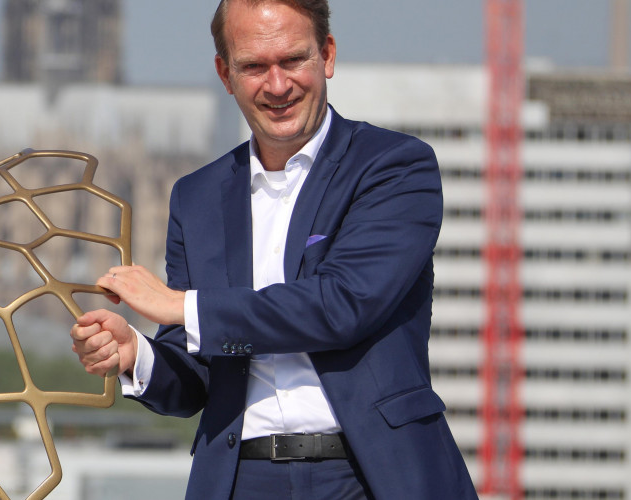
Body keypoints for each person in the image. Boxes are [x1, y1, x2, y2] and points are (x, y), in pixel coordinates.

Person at [68, 1, 475, 498]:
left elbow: (342, 304)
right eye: (254, 66)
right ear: (225, 73)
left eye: (293, 60)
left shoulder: (393, 168)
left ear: (327, 55)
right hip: (241, 479)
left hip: (371, 475)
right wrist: (138, 354)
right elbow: (196, 370)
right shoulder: (196, 197)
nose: (278, 85)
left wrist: (180, 305)